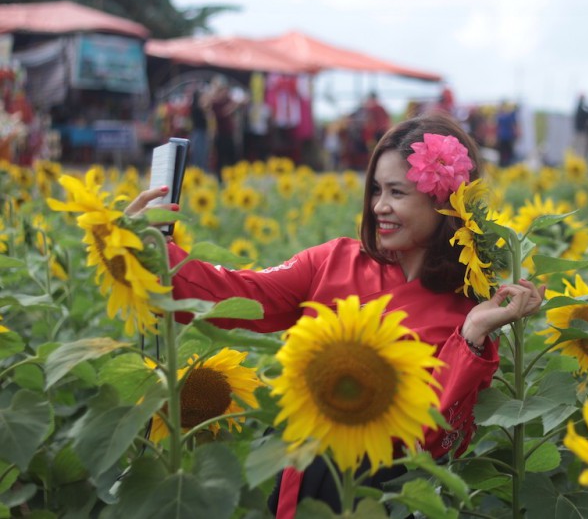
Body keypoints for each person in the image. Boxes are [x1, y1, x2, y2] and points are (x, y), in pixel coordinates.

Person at [126, 113, 546, 516]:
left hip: (386, 499)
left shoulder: (466, 309)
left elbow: (435, 441)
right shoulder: (334, 261)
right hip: (305, 474)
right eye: (376, 191)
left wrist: (472, 332)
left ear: (446, 204)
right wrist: (151, 250)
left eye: (397, 193)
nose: (380, 206)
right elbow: (237, 295)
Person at [208, 75, 244, 180]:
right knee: (220, 160)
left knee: (232, 159)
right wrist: (234, 106)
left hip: (229, 134)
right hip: (220, 135)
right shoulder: (215, 103)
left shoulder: (227, 100)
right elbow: (222, 114)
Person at [188, 87, 210, 172]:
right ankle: (198, 171)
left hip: (199, 133)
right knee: (199, 155)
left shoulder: (195, 107)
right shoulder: (198, 107)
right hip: (199, 133)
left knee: (201, 154)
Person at [495, 101, 519, 167]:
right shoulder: (509, 115)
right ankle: (507, 163)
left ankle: (504, 163)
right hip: (507, 136)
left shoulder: (500, 116)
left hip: (503, 136)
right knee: (507, 151)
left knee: (504, 151)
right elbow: (513, 125)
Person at [571, 93, 588, 160]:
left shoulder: (579, 108)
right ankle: (579, 162)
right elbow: (587, 116)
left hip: (579, 131)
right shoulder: (581, 109)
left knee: (579, 148)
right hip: (581, 132)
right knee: (580, 149)